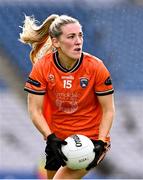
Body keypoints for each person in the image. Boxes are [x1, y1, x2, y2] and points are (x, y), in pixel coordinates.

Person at [19, 14, 115, 179]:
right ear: (56, 42)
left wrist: (100, 142)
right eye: (71, 36)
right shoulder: (43, 67)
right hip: (58, 141)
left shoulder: (96, 67)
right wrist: (50, 138)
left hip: (89, 142)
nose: (78, 41)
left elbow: (108, 109)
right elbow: (34, 109)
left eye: (80, 35)